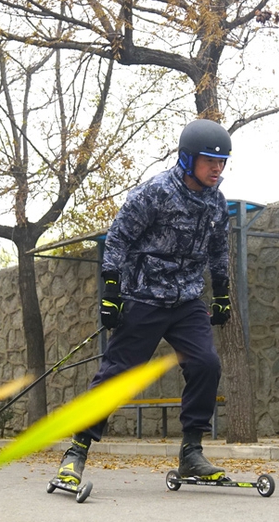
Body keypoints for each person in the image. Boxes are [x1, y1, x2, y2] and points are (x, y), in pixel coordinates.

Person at [56, 118, 233, 486]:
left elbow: (218, 250)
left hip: (186, 299)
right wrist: (110, 293)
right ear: (187, 160)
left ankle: (191, 452)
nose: (217, 169)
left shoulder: (216, 203)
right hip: (143, 295)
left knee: (206, 364)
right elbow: (117, 239)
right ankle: (77, 451)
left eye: (222, 162)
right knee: (118, 374)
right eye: (209, 161)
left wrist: (221, 295)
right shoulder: (153, 193)